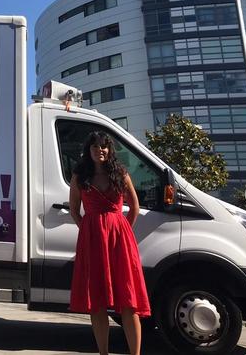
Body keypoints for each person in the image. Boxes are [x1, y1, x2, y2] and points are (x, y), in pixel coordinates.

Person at [68, 131, 150, 355]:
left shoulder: (120, 173)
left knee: (128, 299)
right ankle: (102, 353)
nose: (100, 150)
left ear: (110, 150)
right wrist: (87, 229)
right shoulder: (80, 176)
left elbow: (134, 207)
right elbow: (74, 209)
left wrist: (122, 229)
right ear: (89, 150)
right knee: (98, 301)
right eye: (95, 146)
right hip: (93, 240)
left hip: (119, 240)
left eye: (104, 146)